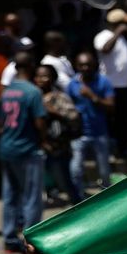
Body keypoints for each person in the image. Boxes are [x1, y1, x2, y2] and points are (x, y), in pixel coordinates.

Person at [0, 51, 48, 254]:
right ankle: (32, 240)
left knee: (10, 195)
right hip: (27, 149)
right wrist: (44, 141)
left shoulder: (7, 91)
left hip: (6, 147)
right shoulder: (33, 92)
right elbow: (39, 122)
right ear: (31, 66)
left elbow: (1, 122)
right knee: (32, 197)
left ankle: (9, 238)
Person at [68, 50, 115, 197]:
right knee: (75, 169)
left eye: (88, 65)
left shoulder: (104, 82)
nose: (85, 68)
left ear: (94, 65)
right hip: (79, 134)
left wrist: (93, 97)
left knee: (104, 171)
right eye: (82, 65)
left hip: (99, 132)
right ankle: (80, 198)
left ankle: (107, 196)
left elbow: (111, 106)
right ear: (77, 66)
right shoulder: (72, 84)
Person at [36, 65, 81, 205]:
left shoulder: (60, 97)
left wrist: (54, 112)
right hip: (41, 146)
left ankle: (76, 204)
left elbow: (74, 117)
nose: (41, 80)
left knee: (65, 178)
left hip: (59, 146)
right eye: (38, 76)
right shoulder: (34, 96)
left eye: (45, 76)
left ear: (53, 78)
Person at [95, 8, 127, 160]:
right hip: (110, 85)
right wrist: (117, 33)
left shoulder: (122, 39)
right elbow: (105, 49)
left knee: (123, 120)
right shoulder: (103, 36)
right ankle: (111, 152)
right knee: (111, 120)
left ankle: (122, 150)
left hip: (124, 85)